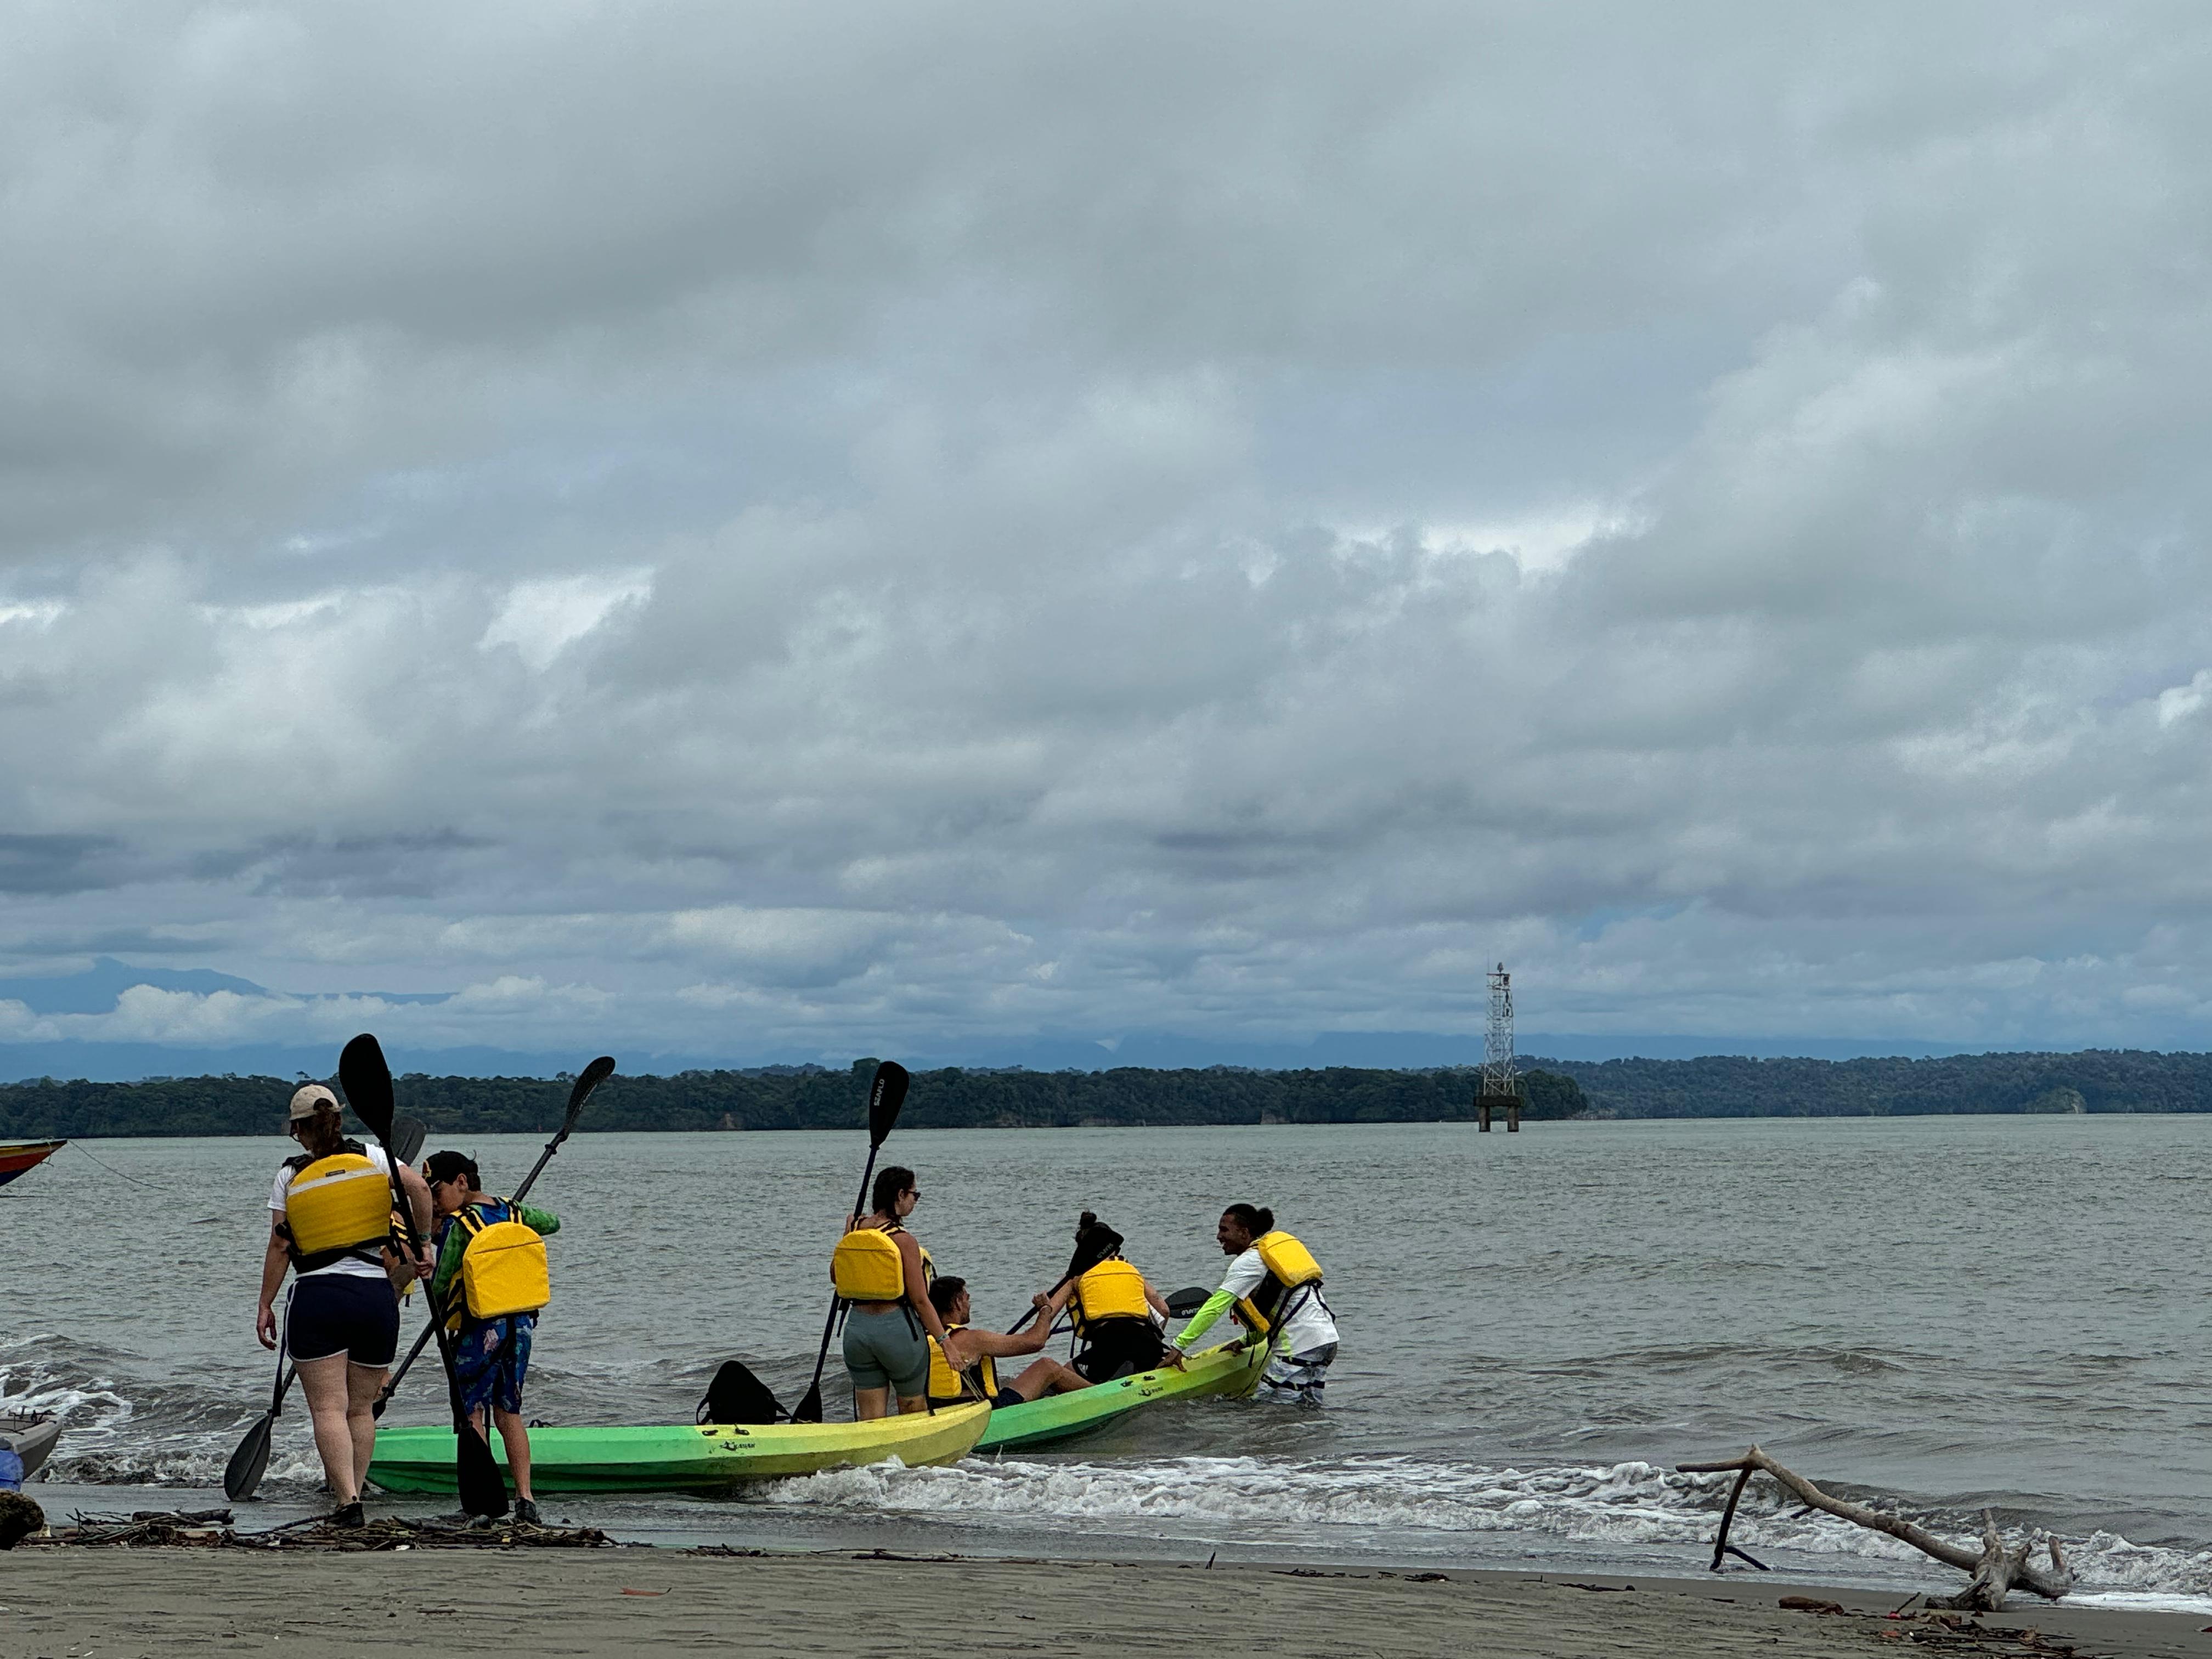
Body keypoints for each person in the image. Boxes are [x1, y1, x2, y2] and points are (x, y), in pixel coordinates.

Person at [256, 1082, 433, 1526]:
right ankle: (357, 1492)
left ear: (298, 1130)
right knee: (360, 1408)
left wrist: (265, 1305)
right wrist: (424, 1244)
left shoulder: (289, 1176)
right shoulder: (375, 1157)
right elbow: (420, 1189)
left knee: (328, 1409)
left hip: (318, 1297)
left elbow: (280, 1246)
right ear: (338, 1121)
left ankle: (347, 1501)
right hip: (375, 1298)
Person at [424, 1150, 560, 1525]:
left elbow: (441, 1281)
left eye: (437, 1192)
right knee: (509, 1411)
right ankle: (525, 1499)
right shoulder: (514, 1212)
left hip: (479, 1330)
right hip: (521, 1327)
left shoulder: (458, 1225)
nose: (434, 1203)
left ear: (462, 1182)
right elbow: (553, 1222)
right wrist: (507, 1223)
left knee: (471, 1412)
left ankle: (481, 1501)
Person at [1168, 1203, 1339, 1404]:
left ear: (1244, 1233)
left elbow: (1214, 1308)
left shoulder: (1249, 1261)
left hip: (1298, 1345)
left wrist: (1178, 1346)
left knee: (1271, 1408)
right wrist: (1246, 1341)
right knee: (1308, 1406)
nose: (1218, 1237)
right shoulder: (1268, 1256)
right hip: (1326, 1341)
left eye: (1224, 1230)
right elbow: (1276, 1312)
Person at [832, 1166, 962, 1419]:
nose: (916, 1201)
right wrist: (946, 1343)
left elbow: (836, 1277)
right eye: (915, 1195)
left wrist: (847, 1233)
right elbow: (920, 1300)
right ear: (900, 1195)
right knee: (912, 1409)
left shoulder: (855, 1228)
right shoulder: (903, 1240)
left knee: (871, 1417)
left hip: (857, 1332)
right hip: (897, 1333)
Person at [1031, 1214, 1172, 1383]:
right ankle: (1141, 1367)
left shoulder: (1074, 1277)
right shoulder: (1130, 1269)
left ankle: (1113, 1377)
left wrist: (1042, 1309)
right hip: (1148, 1343)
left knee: (1062, 1375)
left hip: (1108, 1345)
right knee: (1143, 1354)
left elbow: (1049, 1314)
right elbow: (1164, 1311)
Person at [922, 1276, 1089, 1408]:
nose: (969, 1304)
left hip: (945, 1412)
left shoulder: (925, 1337)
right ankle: (1101, 1396)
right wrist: (1045, 1309)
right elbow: (1036, 1341)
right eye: (967, 1298)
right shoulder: (971, 1339)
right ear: (958, 1303)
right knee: (1047, 1366)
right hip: (984, 1413)